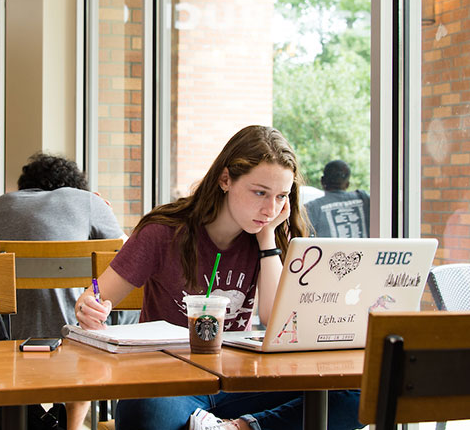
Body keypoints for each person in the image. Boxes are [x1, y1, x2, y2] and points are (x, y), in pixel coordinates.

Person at [75, 125, 363, 430]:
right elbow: (94, 295)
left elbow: (274, 317)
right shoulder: (163, 232)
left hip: (242, 381)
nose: (270, 208)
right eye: (260, 193)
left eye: (281, 196)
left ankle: (239, 427)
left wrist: (267, 242)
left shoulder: (268, 236)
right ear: (225, 179)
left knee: (359, 393)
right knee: (144, 412)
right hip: (172, 381)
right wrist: (89, 305)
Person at [0, 152, 129, 430]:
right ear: (73, 185)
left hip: (7, 336)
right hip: (75, 335)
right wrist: (101, 207)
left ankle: (36, 418)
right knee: (111, 309)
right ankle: (74, 426)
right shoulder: (86, 201)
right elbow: (128, 256)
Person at [305, 160, 370, 238]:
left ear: (322, 181)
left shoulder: (311, 208)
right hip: (366, 250)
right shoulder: (364, 198)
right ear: (347, 184)